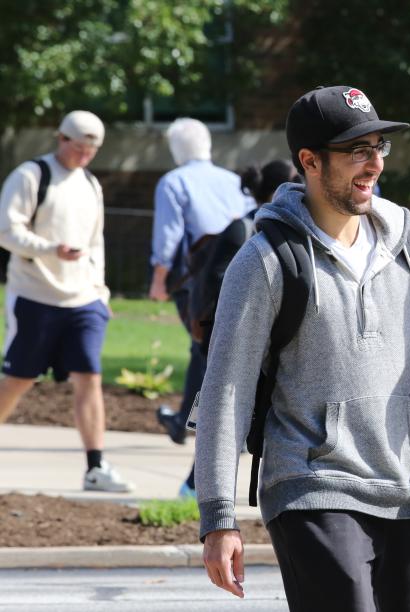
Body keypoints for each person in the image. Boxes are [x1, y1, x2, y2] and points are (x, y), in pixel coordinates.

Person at [195, 85, 410, 611]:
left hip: (409, 487)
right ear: (310, 161)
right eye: (356, 151)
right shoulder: (266, 261)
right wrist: (218, 518)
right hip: (312, 485)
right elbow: (227, 390)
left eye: (379, 148)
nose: (373, 165)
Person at [0, 111, 131, 492]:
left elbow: (95, 243)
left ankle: (95, 466)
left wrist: (100, 291)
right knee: (19, 379)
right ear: (60, 138)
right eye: (79, 146)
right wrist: (49, 249)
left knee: (89, 377)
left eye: (92, 149)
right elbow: (7, 230)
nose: (85, 155)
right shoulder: (31, 176)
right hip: (35, 295)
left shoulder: (91, 184)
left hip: (84, 299)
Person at [165, 159, 302, 499]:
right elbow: (218, 288)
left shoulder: (277, 231)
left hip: (259, 343)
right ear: (275, 190)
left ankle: (203, 483)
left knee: (241, 416)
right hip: (224, 341)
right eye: (295, 180)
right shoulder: (243, 230)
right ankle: (195, 485)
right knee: (221, 413)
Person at [149, 118, 251, 454]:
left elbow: (169, 235)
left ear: (176, 149)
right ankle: (184, 421)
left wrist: (160, 279)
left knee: (208, 353)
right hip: (239, 278)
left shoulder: (173, 182)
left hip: (196, 285)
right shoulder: (233, 181)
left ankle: (203, 426)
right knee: (206, 351)